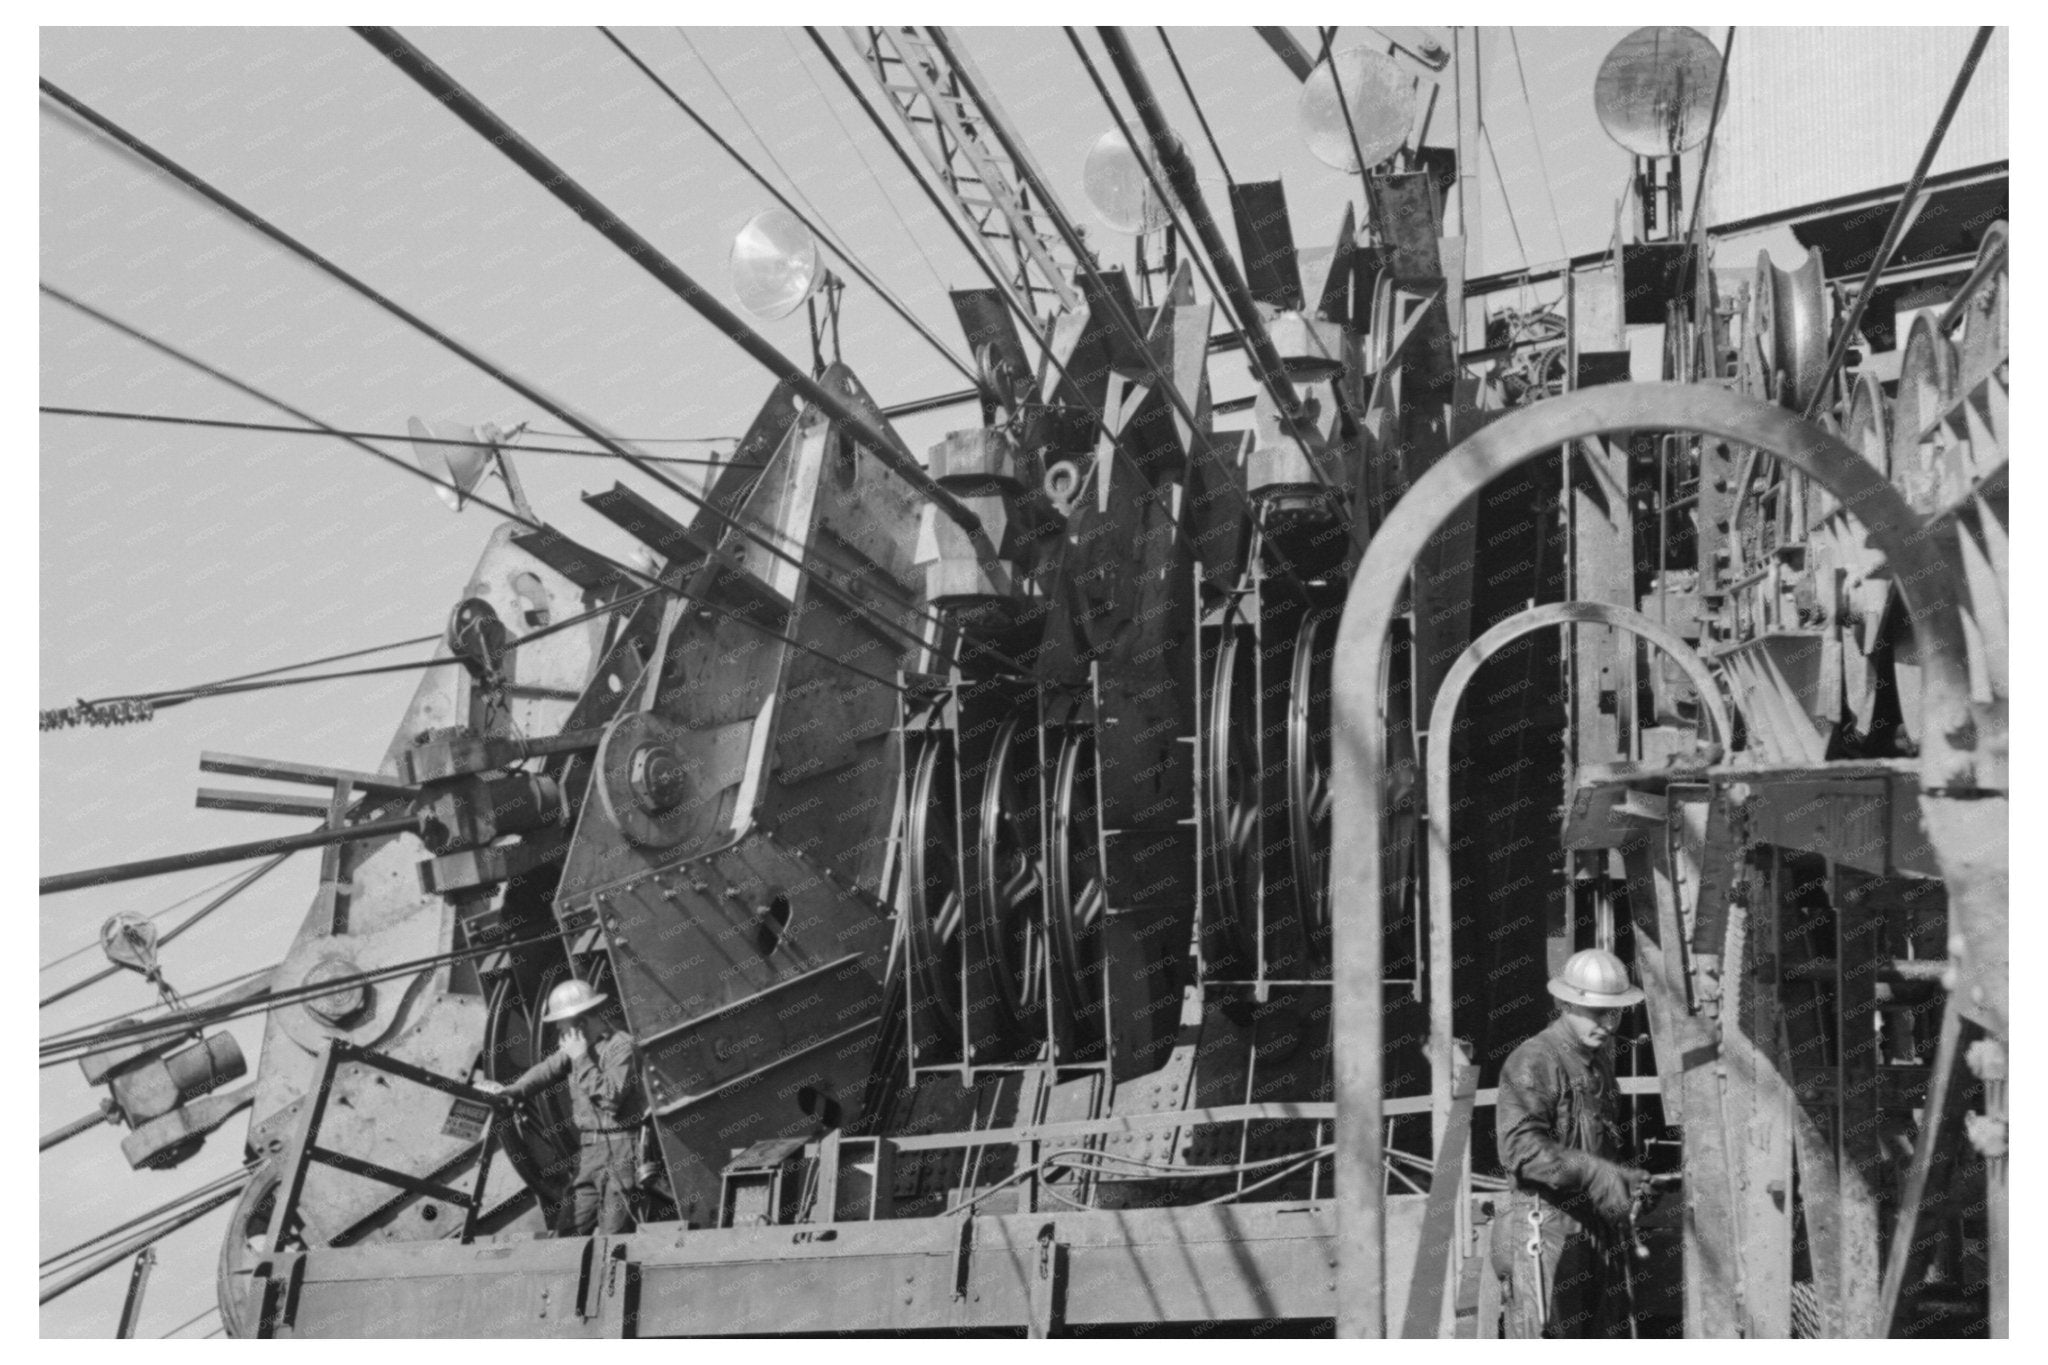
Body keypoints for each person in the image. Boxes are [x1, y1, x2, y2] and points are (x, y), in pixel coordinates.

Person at [1491, 948, 1651, 1338]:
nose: (1609, 1024)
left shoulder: (1597, 1064)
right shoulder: (1533, 1060)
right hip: (1545, 1230)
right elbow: (1520, 1151)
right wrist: (1594, 1172)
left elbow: (1602, 1145)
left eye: (1614, 1013)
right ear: (1565, 1004)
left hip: (1593, 1228)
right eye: (1597, 1013)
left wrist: (1624, 1180)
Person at [477, 978, 645, 1236]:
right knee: (570, 1227)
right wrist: (512, 1092)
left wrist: (581, 1058)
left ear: (580, 1020)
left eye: (561, 1021)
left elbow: (610, 1098)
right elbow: (546, 1070)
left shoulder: (621, 1046)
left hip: (622, 1147)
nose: (557, 1028)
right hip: (590, 1150)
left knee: (615, 1232)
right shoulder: (577, 1048)